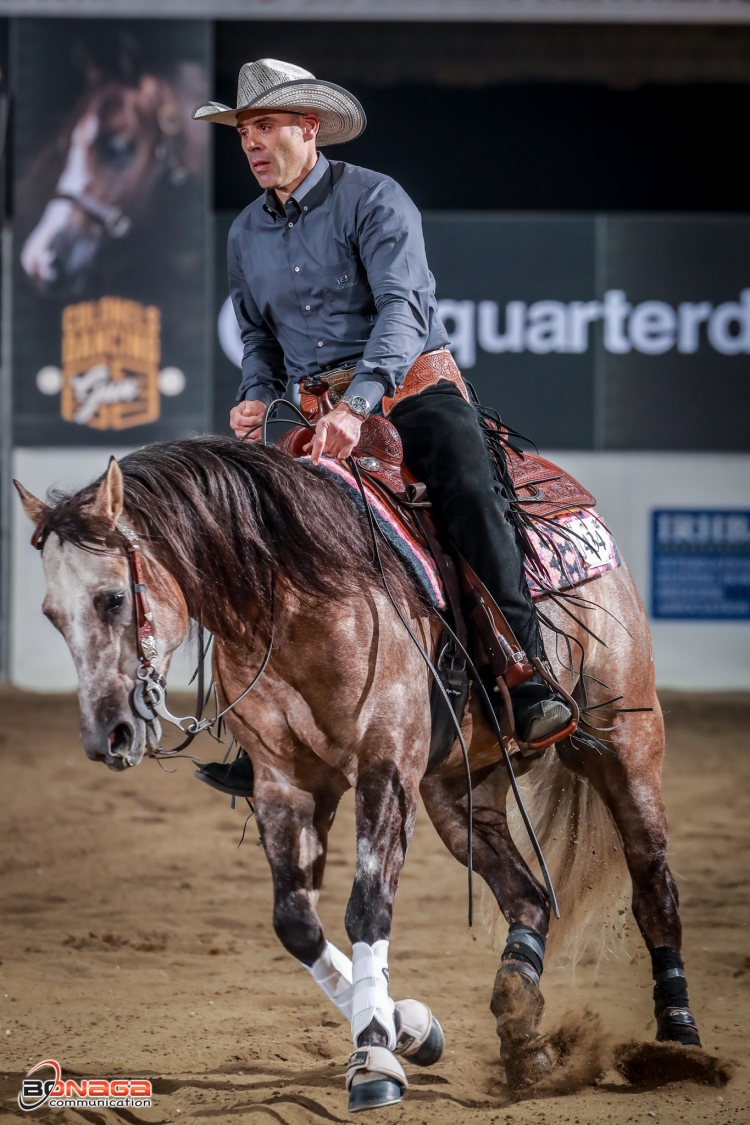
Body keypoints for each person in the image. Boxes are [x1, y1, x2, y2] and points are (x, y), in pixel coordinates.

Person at [192, 59, 570, 796]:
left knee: (468, 494)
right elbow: (259, 338)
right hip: (310, 416)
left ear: (308, 128)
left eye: (265, 127)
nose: (251, 144)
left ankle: (526, 675)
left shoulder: (375, 199)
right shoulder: (245, 232)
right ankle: (258, 712)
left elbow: (403, 310)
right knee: (253, 532)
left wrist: (358, 402)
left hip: (411, 394)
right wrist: (254, 393)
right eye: (244, 132)